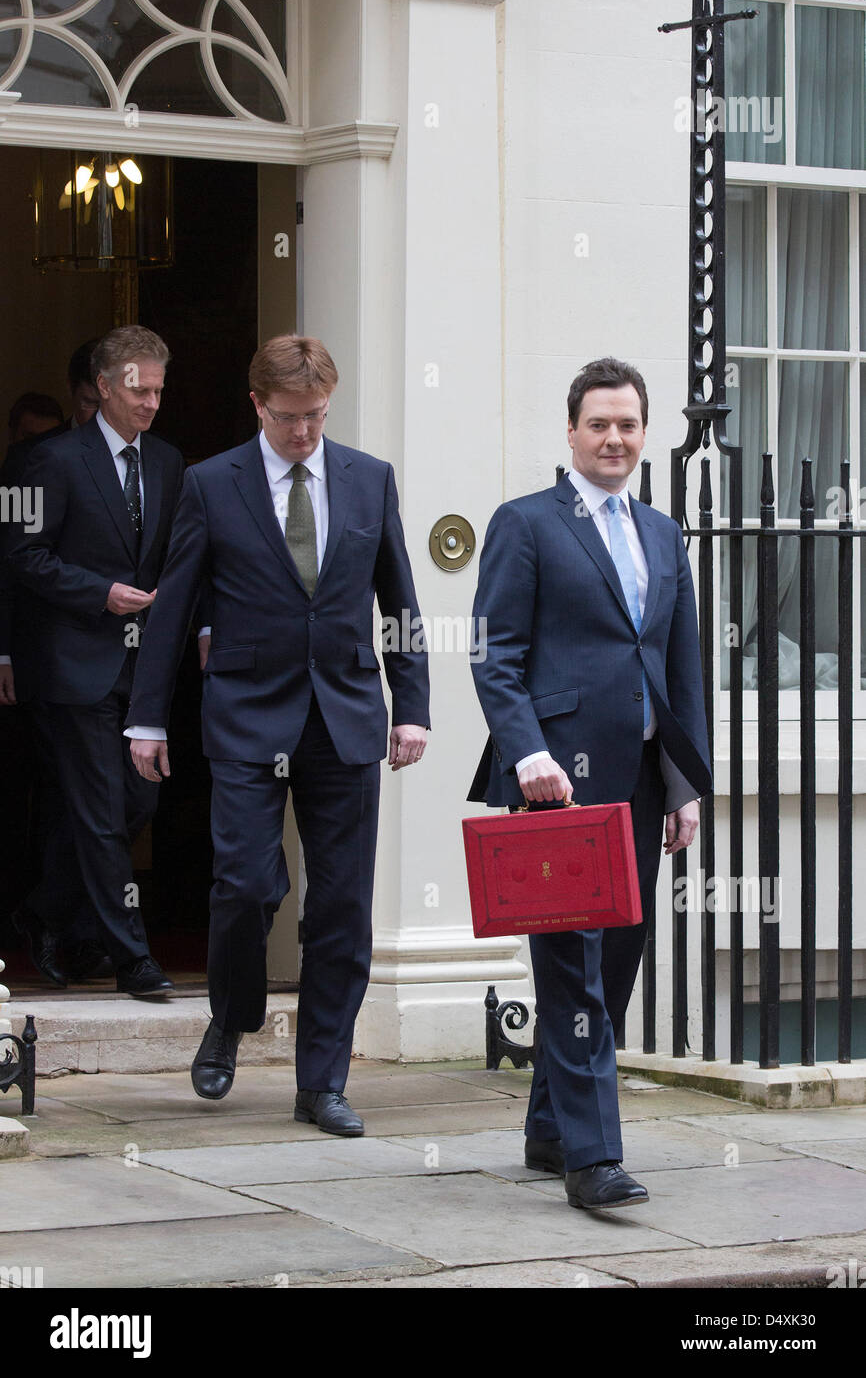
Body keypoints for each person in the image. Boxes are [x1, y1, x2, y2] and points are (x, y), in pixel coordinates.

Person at [125, 333, 430, 1135]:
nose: (305, 433)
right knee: (247, 886)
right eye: (291, 417)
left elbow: (398, 603)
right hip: (248, 716)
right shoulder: (209, 485)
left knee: (341, 909)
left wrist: (415, 707)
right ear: (258, 405)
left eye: (319, 416)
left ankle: (321, 1083)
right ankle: (231, 1016)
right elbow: (174, 608)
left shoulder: (369, 480)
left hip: (346, 719)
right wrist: (147, 717)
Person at [468, 356, 712, 1210]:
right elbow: (494, 656)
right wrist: (527, 753)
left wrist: (684, 783)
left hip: (640, 782)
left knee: (614, 962)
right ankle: (593, 1160)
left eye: (629, 424)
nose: (615, 438)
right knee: (570, 967)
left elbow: (682, 665)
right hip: (555, 787)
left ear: (645, 434)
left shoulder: (662, 533)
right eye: (599, 423)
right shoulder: (526, 524)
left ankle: (549, 1129)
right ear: (571, 432)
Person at [4, 326, 186, 996]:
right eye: (140, 390)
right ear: (105, 387)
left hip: (145, 669)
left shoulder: (167, 461)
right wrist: (98, 594)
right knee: (102, 809)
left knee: (139, 799)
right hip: (76, 661)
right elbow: (23, 556)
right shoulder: (52, 460)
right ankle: (132, 956)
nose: (151, 404)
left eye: (159, 391)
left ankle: (47, 908)